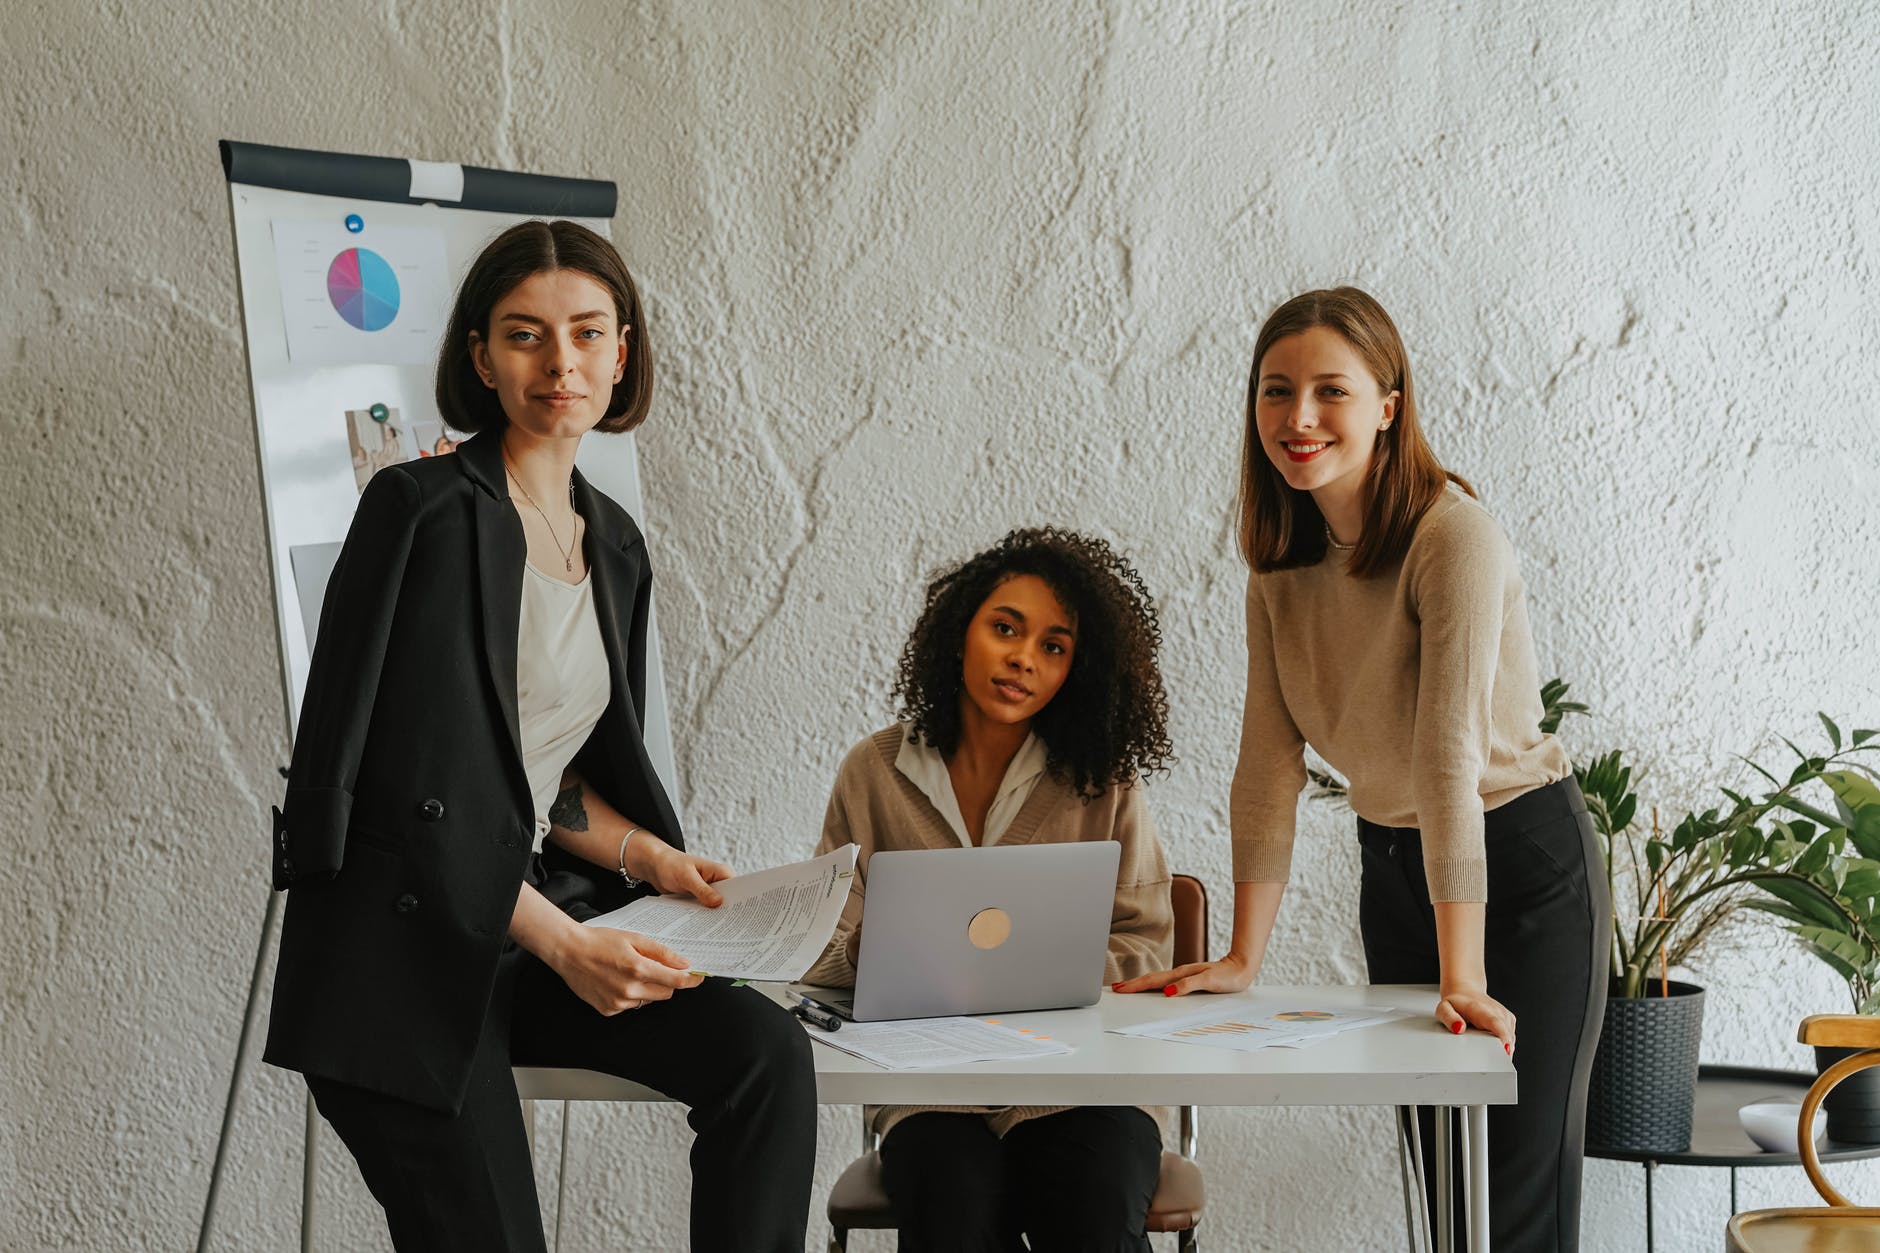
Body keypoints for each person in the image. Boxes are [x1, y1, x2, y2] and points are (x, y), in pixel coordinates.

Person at [263, 220, 816, 1253]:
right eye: (524, 335)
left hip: (517, 927)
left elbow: (537, 772)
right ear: (480, 357)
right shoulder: (417, 510)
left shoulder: (612, 540)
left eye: (586, 332)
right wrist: (564, 942)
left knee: (763, 1056)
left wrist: (644, 853)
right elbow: (401, 785)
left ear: (622, 351)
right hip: (405, 951)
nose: (558, 362)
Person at [1116, 287, 1608, 1251]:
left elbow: (1448, 760)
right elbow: (1267, 764)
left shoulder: (1451, 534)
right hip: (1397, 867)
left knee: (1513, 1194)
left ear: (1389, 405)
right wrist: (1244, 959)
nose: (1298, 419)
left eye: (1329, 391)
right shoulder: (1279, 567)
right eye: (1276, 391)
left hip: (1515, 866)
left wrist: (1459, 969)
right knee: (1443, 1181)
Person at [803, 527, 1177, 1253]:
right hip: (931, 1086)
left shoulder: (1104, 780)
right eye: (1005, 628)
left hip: (1083, 1079)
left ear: (1079, 668)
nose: (1022, 659)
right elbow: (821, 944)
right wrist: (884, 956)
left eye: (1054, 646)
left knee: (1093, 1215)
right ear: (959, 630)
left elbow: (1144, 940)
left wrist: (1044, 973)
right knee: (953, 1213)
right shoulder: (874, 772)